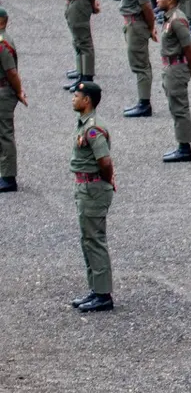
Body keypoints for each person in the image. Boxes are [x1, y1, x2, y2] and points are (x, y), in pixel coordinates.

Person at [69, 81, 115, 312]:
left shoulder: (93, 128)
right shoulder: (85, 124)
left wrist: (108, 180)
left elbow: (104, 161)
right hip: (86, 187)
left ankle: (103, 295)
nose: (73, 98)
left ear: (87, 100)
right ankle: (95, 289)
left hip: (93, 189)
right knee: (88, 240)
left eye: (76, 95)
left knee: (94, 240)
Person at [155, 0, 191, 162]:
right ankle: (181, 144)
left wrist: (190, 67)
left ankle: (184, 148)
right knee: (175, 106)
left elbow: (189, 47)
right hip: (170, 67)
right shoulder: (169, 17)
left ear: (171, 0)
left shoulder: (177, 20)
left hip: (177, 67)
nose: (157, 0)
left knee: (180, 108)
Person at [0, 5, 20, 193]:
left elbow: (12, 73)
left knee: (4, 134)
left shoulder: (3, 43)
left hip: (4, 92)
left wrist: (19, 92)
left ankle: (8, 177)